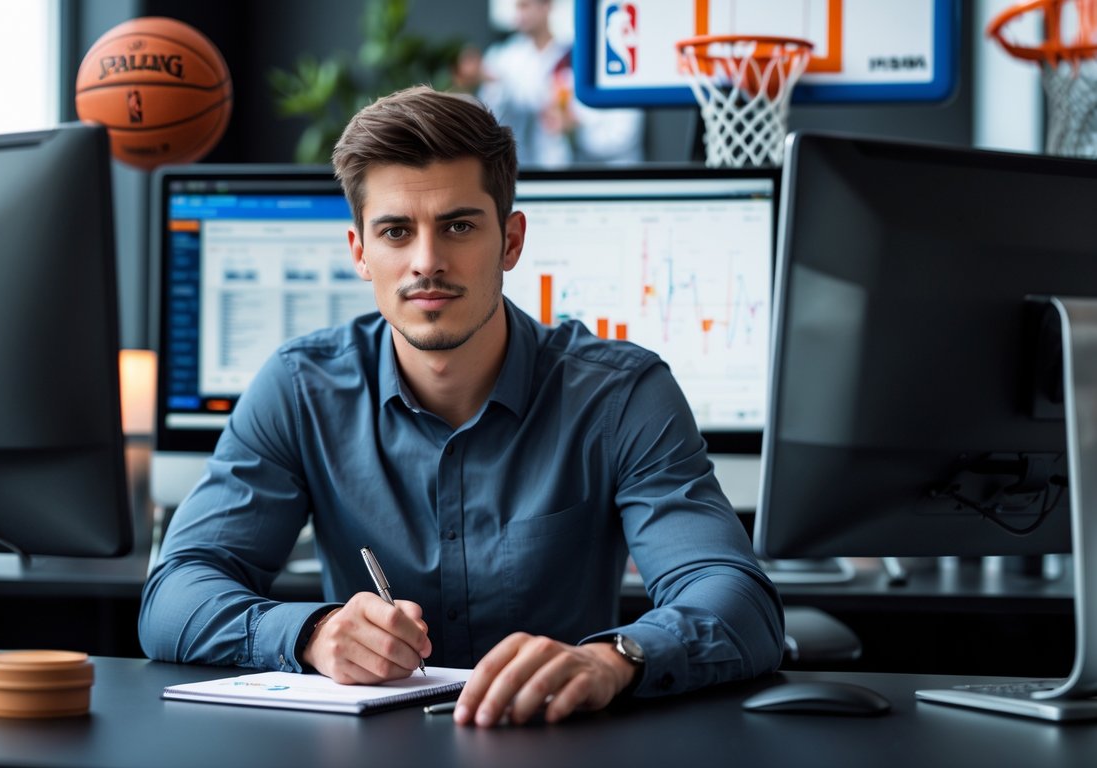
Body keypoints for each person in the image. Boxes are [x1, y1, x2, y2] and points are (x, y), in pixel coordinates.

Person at [139, 86, 784, 727]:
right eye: (396, 231)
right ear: (360, 252)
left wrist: (614, 659)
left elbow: (737, 599)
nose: (427, 262)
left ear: (510, 241)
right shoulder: (300, 389)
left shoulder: (622, 394)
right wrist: (312, 633)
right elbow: (174, 593)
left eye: (459, 226)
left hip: (559, 745)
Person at [460, 0, 644, 167]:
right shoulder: (506, 57)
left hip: (598, 165)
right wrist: (492, 81)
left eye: (525, 6)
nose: (519, 15)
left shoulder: (574, 54)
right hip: (537, 161)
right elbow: (500, 114)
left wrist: (574, 122)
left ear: (546, 6)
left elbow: (620, 134)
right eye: (517, 7)